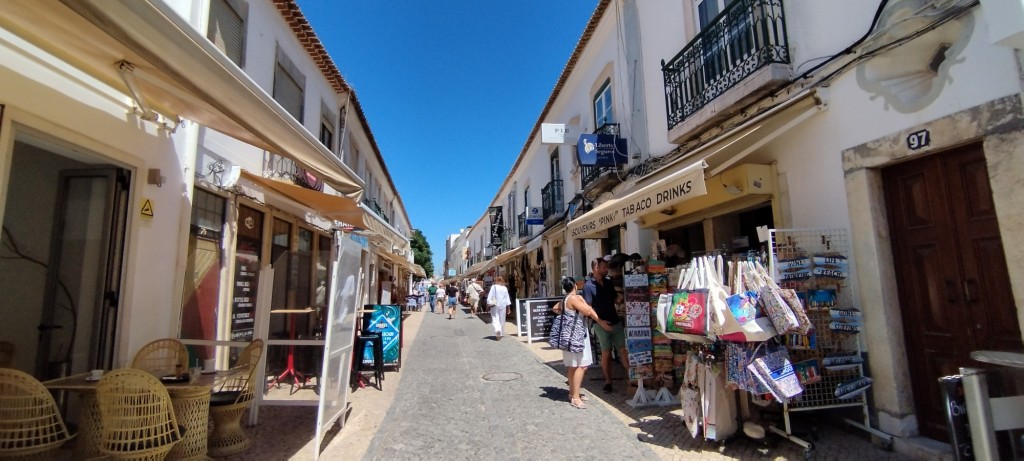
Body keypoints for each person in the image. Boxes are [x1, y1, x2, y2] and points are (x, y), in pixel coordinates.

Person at [553, 276, 612, 409]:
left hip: (569, 336)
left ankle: (573, 393)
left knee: (572, 366)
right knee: (581, 365)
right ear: (574, 286)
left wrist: (568, 316)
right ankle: (575, 397)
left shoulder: (565, 299)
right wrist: (583, 303)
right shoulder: (574, 298)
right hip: (576, 337)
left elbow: (555, 308)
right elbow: (588, 311)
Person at [585, 257, 629, 393]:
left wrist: (619, 299)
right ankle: (608, 381)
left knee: (623, 350)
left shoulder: (608, 283)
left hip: (615, 321)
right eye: (604, 268)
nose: (606, 270)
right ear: (596, 268)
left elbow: (614, 298)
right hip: (601, 324)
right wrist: (600, 322)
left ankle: (633, 378)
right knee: (606, 353)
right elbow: (588, 309)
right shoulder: (588, 286)